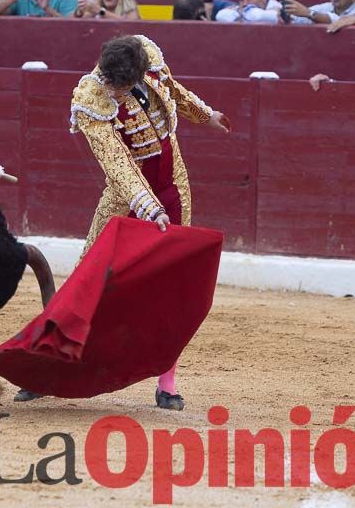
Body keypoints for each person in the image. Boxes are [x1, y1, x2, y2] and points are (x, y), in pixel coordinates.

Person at [56, 34, 228, 410]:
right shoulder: (90, 98)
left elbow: (171, 86)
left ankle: (167, 381)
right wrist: (148, 207)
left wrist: (204, 113)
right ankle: (53, 365)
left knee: (169, 285)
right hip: (126, 196)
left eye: (124, 86)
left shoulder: (147, 57)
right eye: (114, 86)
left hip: (172, 184)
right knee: (91, 275)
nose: (117, 94)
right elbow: (116, 162)